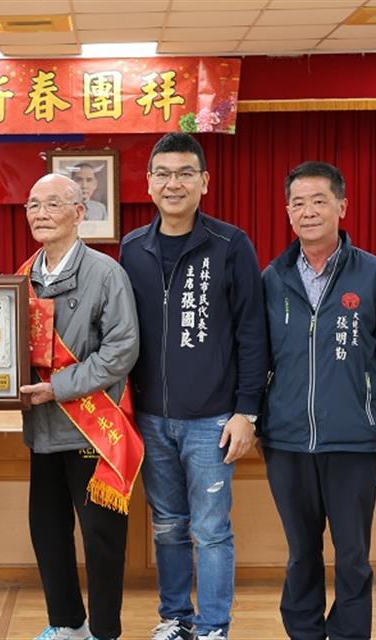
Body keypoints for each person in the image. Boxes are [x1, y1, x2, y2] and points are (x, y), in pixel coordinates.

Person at [261, 161, 376, 640]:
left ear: (342, 207)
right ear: (287, 212)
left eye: (319, 201)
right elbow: (254, 358)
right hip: (287, 441)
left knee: (352, 556)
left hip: (354, 440)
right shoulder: (272, 279)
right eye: (298, 203)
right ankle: (305, 633)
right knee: (301, 554)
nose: (308, 211)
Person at [119, 133, 268, 640]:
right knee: (167, 524)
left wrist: (247, 411)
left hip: (212, 420)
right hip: (151, 418)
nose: (173, 183)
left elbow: (253, 333)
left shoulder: (230, 245)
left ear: (204, 181)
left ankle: (213, 627)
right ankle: (176, 619)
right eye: (163, 174)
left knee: (210, 529)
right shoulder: (132, 249)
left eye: (185, 173)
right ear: (148, 183)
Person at [17, 173, 141, 640]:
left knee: (101, 537)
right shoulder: (22, 275)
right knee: (47, 530)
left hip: (92, 427)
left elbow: (121, 350)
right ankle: (67, 623)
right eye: (33, 205)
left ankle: (105, 631)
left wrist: (59, 387)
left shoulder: (106, 273)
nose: (41, 213)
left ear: (79, 213)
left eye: (53, 204)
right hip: (43, 428)